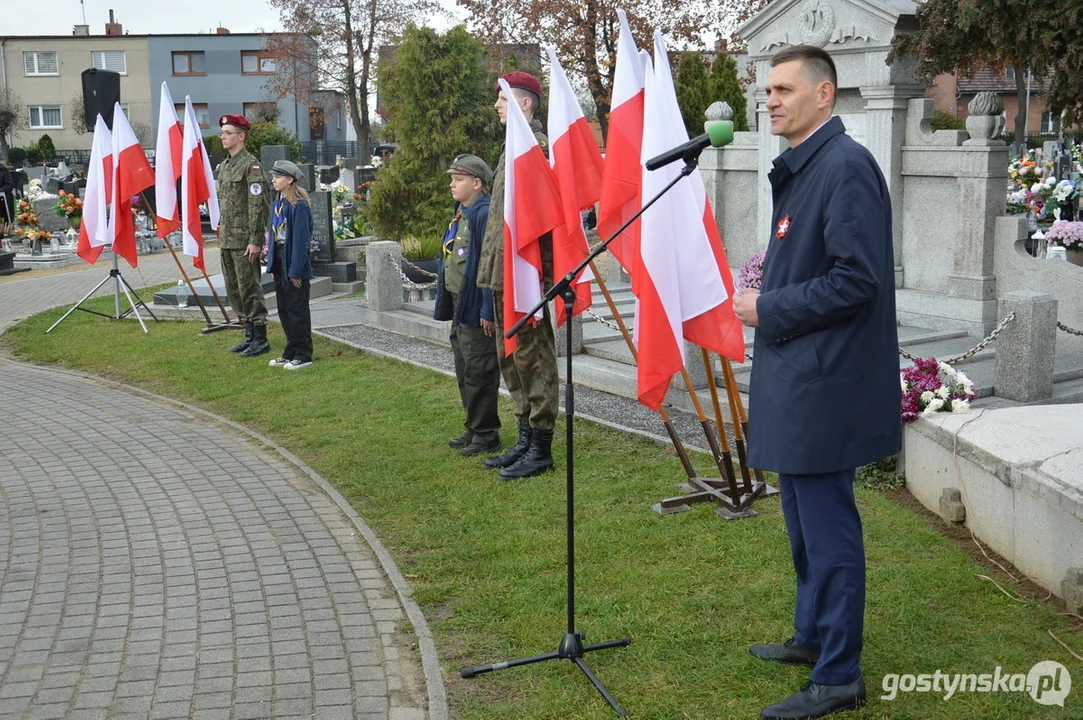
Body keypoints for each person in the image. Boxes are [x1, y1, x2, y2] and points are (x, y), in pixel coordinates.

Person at [732, 45, 900, 720]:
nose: (768, 99)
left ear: (823, 94)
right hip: (799, 374)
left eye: (782, 89)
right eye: (765, 90)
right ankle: (812, 636)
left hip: (824, 383)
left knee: (828, 531)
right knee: (802, 523)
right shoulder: (805, 167)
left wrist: (766, 307)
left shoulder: (844, 167)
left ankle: (838, 675)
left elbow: (857, 280)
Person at [476, 71, 559, 480]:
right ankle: (525, 436)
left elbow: (543, 219)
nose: (497, 106)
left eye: (504, 99)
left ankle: (541, 447)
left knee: (534, 357)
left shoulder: (536, 150)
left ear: (525, 103)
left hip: (528, 274)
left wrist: (540, 277)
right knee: (511, 357)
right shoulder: (511, 149)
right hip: (503, 271)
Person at [433, 154, 503, 456]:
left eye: (458, 179)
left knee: (480, 370)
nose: (452, 183)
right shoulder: (462, 210)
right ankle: (474, 427)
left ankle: (487, 435)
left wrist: (488, 310)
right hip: (460, 303)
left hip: (476, 306)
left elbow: (488, 264)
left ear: (476, 183)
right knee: (465, 369)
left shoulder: (483, 212)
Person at [216, 114, 271, 357]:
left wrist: (255, 240)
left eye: (228, 133)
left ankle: (260, 337)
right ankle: (247, 334)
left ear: (241, 136)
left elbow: (258, 205)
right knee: (233, 289)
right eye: (222, 133)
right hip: (227, 239)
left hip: (244, 241)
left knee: (249, 288)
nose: (223, 137)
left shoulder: (251, 165)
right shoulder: (226, 165)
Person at [265, 160, 315, 370]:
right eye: (273, 176)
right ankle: (291, 350)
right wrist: (272, 265)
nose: (273, 180)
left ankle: (304, 354)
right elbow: (274, 237)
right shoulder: (279, 204)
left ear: (290, 180)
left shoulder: (299, 206)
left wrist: (295, 271)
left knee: (297, 310)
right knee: (284, 310)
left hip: (294, 265)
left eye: (278, 176)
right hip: (280, 262)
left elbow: (301, 243)